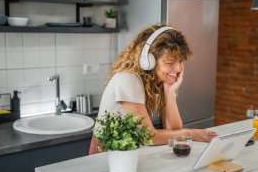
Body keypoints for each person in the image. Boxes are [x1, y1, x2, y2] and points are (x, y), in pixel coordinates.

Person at [89, 24, 217, 154]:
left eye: (180, 61)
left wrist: (170, 92)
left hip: (129, 156)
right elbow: (148, 136)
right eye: (169, 63)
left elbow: (174, 131)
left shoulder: (158, 82)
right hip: (106, 160)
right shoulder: (128, 79)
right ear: (148, 60)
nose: (178, 68)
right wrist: (191, 133)